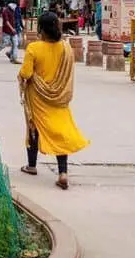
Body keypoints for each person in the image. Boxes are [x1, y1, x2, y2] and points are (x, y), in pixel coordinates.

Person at [18, 12, 90, 190]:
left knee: (34, 128)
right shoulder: (66, 48)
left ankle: (32, 166)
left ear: (40, 28)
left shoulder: (34, 48)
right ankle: (63, 173)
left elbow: (26, 74)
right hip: (59, 99)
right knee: (61, 132)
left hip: (38, 98)